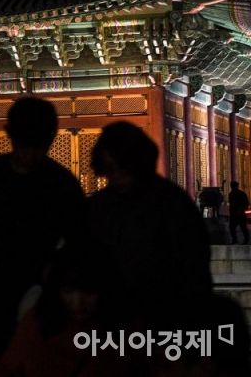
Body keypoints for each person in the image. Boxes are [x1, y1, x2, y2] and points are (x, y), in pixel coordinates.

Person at [0, 96, 86, 377]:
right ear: (10, 135)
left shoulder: (60, 184)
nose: (30, 153)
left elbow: (78, 242)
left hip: (38, 297)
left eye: (37, 145)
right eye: (24, 143)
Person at [87, 122, 212, 330]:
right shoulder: (98, 206)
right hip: (111, 314)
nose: (117, 177)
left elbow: (192, 266)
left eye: (123, 169)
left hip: (166, 313)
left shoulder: (173, 204)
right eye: (110, 170)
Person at [0, 243, 130, 377]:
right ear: (56, 291)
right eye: (67, 291)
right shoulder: (38, 321)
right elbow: (7, 368)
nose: (77, 302)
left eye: (88, 292)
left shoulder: (120, 327)